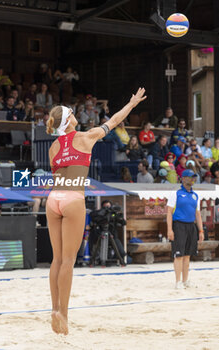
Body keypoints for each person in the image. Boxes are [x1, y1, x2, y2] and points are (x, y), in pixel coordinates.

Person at [45, 87, 147, 335]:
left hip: (53, 198)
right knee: (69, 261)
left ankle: (54, 307)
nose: (74, 113)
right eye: (71, 113)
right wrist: (132, 104)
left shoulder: (54, 147)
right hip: (73, 199)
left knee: (57, 259)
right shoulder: (86, 136)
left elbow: (58, 176)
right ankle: (63, 316)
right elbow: (113, 121)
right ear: (68, 120)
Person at [167, 169, 204, 289]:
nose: (192, 179)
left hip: (191, 226)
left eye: (194, 177)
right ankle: (178, 282)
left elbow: (197, 214)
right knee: (179, 255)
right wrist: (169, 229)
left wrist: (201, 230)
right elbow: (168, 213)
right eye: (190, 177)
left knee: (187, 255)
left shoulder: (195, 195)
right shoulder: (176, 193)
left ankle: (185, 280)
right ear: (183, 178)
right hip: (179, 226)